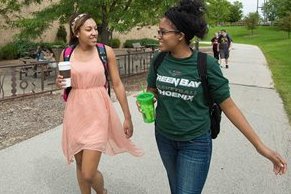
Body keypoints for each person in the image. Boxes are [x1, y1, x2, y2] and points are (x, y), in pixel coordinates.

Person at [143, 0, 287, 193]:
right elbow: (151, 90)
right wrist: (148, 99)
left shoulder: (206, 64)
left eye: (162, 32)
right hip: (164, 137)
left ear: (180, 36)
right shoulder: (159, 60)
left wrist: (261, 147)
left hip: (195, 142)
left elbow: (229, 107)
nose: (158, 36)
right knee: (176, 189)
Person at [55, 13, 143, 194]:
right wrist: (59, 82)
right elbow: (64, 81)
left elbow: (117, 84)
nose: (94, 32)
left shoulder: (105, 51)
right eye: (88, 29)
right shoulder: (67, 53)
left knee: (88, 172)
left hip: (98, 113)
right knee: (79, 163)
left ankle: (102, 192)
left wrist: (127, 116)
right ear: (77, 32)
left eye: (95, 28)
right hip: (75, 112)